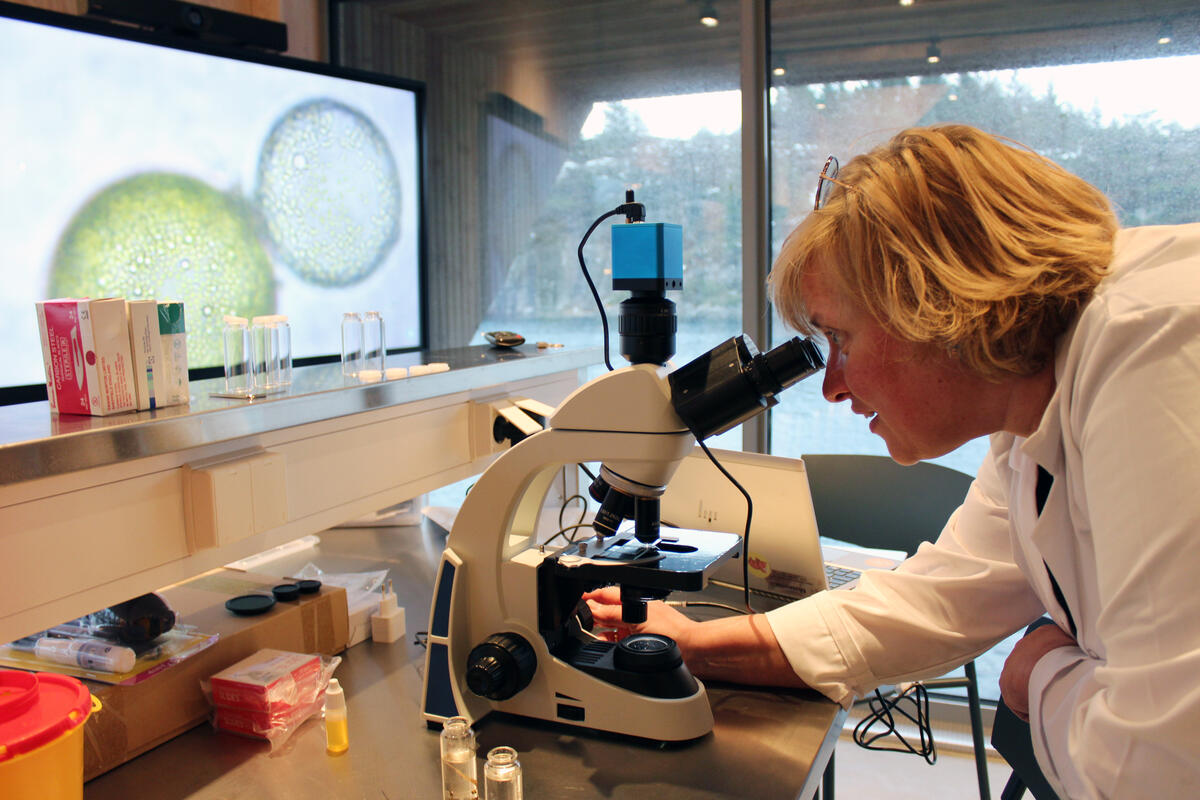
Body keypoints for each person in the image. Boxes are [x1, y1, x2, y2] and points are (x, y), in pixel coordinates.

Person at [585, 124, 1200, 798]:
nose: (832, 385)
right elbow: (941, 598)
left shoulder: (1156, 349)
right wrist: (702, 643)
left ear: (944, 303)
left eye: (841, 337)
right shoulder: (1029, 402)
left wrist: (1035, 677)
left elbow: (1156, 768)